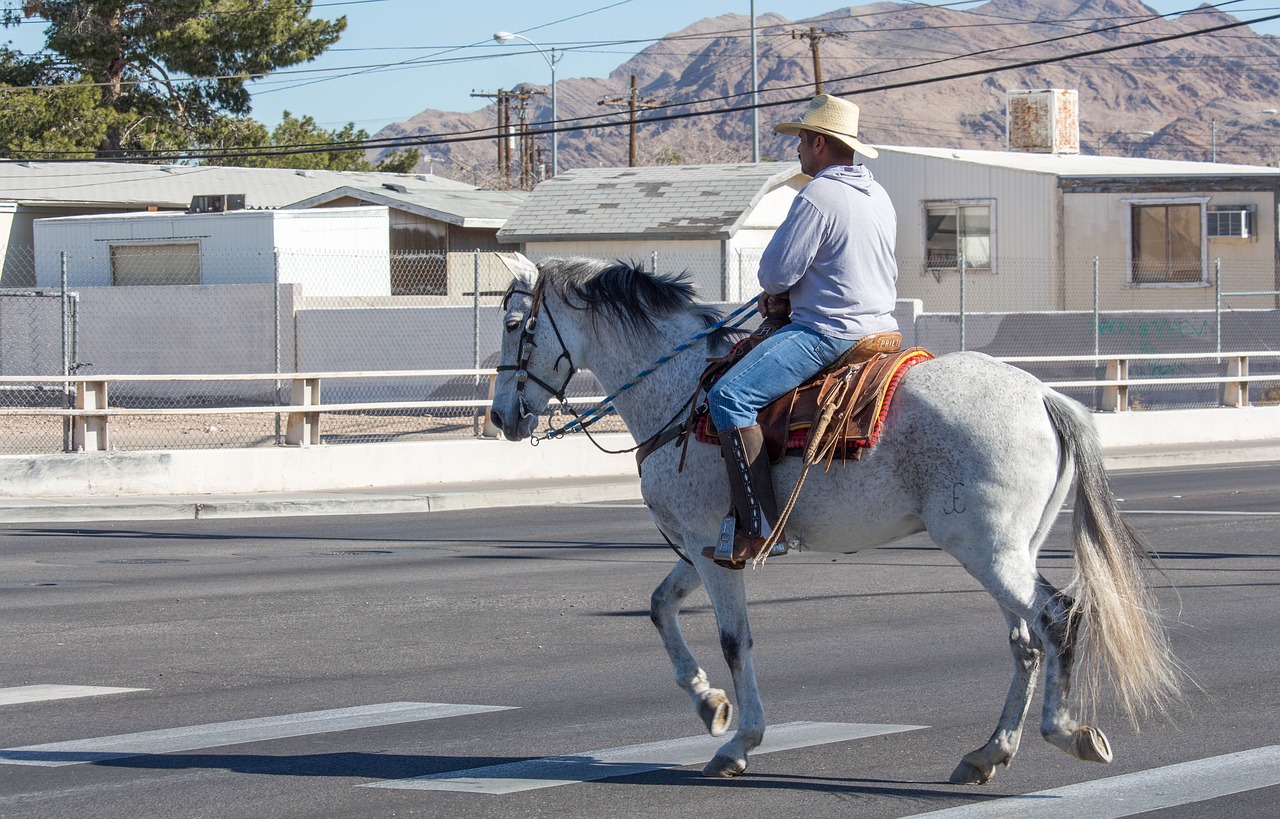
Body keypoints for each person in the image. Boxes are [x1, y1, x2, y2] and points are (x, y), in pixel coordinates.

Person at [704, 94, 901, 568]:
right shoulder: (877, 193)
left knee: (728, 398)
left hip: (829, 333)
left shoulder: (818, 195)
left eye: (799, 142)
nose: (796, 150)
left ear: (817, 142)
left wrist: (781, 293)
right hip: (884, 330)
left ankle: (761, 527)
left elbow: (775, 273)